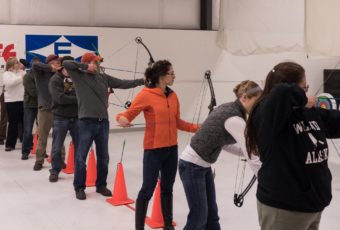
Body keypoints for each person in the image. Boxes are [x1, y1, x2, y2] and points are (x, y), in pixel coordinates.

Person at [245, 62, 340, 230]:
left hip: (312, 206)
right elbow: (281, 92)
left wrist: (303, 101)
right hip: (284, 208)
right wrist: (303, 98)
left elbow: (334, 120)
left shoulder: (306, 111)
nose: (306, 92)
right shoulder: (267, 113)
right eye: (304, 87)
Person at [117, 60, 199, 230]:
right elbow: (127, 114)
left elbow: (177, 121)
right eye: (171, 73)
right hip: (153, 150)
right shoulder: (146, 94)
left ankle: (167, 225)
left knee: (167, 189)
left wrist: (197, 128)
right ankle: (139, 227)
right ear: (162, 76)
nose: (174, 76)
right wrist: (122, 119)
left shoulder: (173, 95)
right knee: (147, 189)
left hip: (171, 149)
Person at [178, 80, 262, 230]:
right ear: (244, 98)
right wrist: (265, 179)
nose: (258, 106)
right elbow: (251, 153)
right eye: (257, 101)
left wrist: (253, 151)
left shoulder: (231, 110)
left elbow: (225, 143)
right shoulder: (234, 118)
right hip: (192, 166)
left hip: (201, 167)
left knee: (211, 217)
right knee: (198, 218)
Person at [63, 52, 145, 200]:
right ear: (89, 63)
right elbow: (66, 64)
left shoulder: (103, 77)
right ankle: (79, 187)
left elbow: (122, 83)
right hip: (86, 122)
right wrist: (86, 67)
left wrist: (142, 80)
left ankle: (101, 185)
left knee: (104, 157)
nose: (99, 65)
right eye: (96, 62)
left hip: (103, 122)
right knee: (81, 157)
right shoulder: (79, 75)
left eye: (99, 62)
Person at [32, 54, 65, 170]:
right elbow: (34, 64)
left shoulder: (60, 75)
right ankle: (39, 161)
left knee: (59, 136)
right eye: (55, 63)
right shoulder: (40, 72)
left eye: (59, 63)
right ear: (49, 63)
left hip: (58, 110)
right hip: (45, 109)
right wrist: (51, 68)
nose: (58, 65)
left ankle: (60, 160)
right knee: (42, 137)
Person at [48, 56, 78, 182]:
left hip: (77, 117)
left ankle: (80, 169)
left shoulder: (77, 78)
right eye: (69, 67)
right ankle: (55, 170)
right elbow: (59, 99)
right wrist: (78, 99)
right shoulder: (55, 79)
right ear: (63, 67)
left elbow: (82, 93)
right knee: (57, 146)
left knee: (80, 145)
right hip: (60, 117)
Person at [3, 57, 25, 151]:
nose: (18, 64)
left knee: (25, 123)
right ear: (11, 65)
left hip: (23, 100)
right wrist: (21, 78)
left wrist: (21, 74)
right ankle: (10, 144)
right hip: (11, 101)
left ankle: (27, 143)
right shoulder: (6, 74)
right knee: (13, 123)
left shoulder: (22, 72)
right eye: (16, 63)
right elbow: (10, 83)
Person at [21, 57, 40, 160]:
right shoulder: (27, 77)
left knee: (41, 130)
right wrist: (44, 92)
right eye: (35, 65)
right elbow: (33, 92)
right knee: (28, 130)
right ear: (32, 65)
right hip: (30, 106)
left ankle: (41, 151)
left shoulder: (42, 76)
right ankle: (25, 151)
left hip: (41, 105)